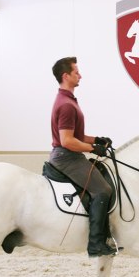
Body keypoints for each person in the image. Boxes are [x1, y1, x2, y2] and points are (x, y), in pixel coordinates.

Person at [49, 56, 117, 257]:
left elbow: (76, 136)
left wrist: (97, 139)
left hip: (70, 154)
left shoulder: (68, 101)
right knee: (102, 189)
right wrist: (92, 149)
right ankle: (96, 244)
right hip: (66, 157)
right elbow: (67, 141)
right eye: (76, 72)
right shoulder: (67, 105)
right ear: (66, 76)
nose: (80, 75)